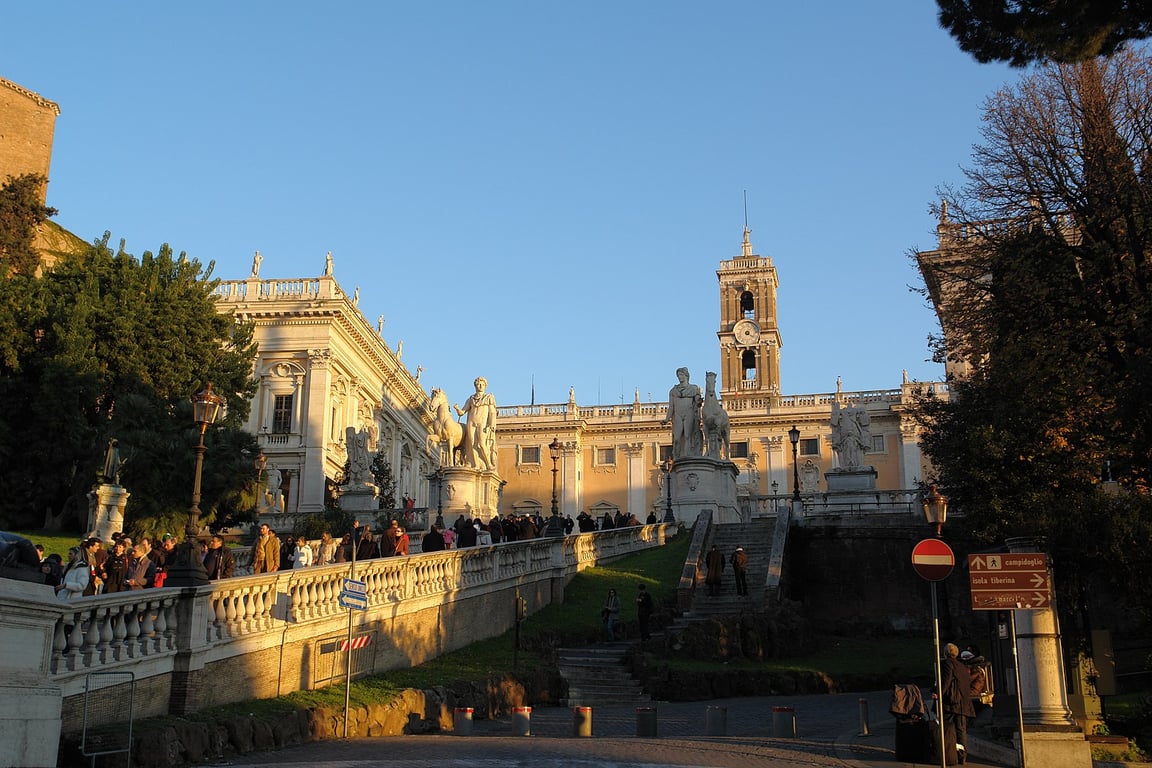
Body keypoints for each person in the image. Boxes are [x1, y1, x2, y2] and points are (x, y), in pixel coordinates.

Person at [940, 642, 976, 763]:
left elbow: (946, 681)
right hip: (963, 702)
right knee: (961, 730)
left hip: (951, 702)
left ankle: (948, 754)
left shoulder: (947, 664)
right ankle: (962, 756)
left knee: (946, 728)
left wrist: (938, 693)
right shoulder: (962, 666)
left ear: (945, 653)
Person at [454, 376, 497, 470]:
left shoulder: (489, 397)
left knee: (482, 443)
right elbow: (462, 412)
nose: (480, 385)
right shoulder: (471, 399)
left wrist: (491, 424)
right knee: (471, 443)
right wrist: (457, 408)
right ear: (475, 386)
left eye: (482, 384)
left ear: (485, 386)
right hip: (471, 422)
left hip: (483, 423)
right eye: (478, 384)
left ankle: (488, 464)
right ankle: (476, 464)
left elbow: (492, 412)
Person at [661, 367, 703, 459]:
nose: (680, 377)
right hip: (677, 416)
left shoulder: (693, 388)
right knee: (677, 438)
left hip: (689, 414)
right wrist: (667, 419)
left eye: (681, 375)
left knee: (688, 436)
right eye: (678, 375)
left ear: (686, 375)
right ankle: (677, 457)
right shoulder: (673, 391)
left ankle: (687, 457)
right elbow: (671, 406)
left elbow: (697, 401)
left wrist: (699, 401)